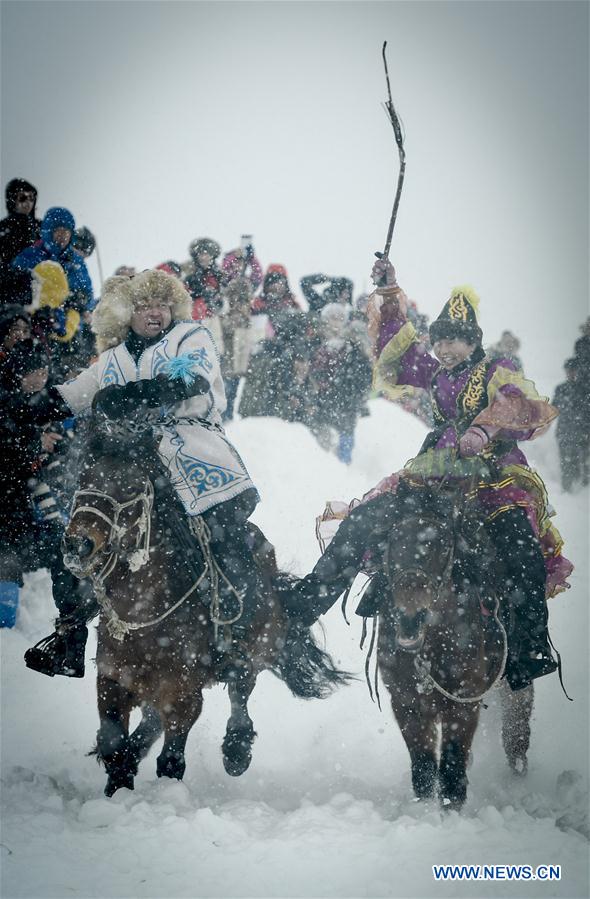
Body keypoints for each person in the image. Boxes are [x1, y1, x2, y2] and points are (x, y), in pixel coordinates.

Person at [286, 258, 572, 692]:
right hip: (438, 473)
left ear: (473, 342)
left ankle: (527, 648)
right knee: (366, 520)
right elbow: (395, 347)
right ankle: (306, 604)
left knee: (521, 555)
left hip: (495, 478)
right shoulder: (434, 371)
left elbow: (518, 402)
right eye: (441, 340)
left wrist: (483, 428)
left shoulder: (495, 371)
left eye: (455, 340)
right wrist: (388, 290)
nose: (446, 348)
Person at [24, 269, 261, 677]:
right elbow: (69, 397)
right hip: (124, 462)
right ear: (127, 312)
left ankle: (233, 629)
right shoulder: (112, 358)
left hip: (191, 451)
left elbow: (189, 378)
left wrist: (126, 395)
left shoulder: (191, 336)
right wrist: (21, 409)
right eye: (145, 305)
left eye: (163, 304)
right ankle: (70, 634)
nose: (155, 312)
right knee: (83, 533)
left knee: (223, 533)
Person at [0, 339, 92, 642]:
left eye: (44, 371)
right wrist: (33, 445)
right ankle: (5, 632)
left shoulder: (41, 401)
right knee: (8, 562)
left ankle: (70, 622)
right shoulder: (9, 402)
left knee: (60, 548)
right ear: (18, 373)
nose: (40, 378)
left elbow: (56, 454)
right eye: (34, 372)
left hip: (29, 504)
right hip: (10, 506)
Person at [11, 206, 94, 313]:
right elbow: (14, 286)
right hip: (33, 314)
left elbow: (87, 293)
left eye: (67, 231)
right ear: (49, 231)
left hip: (67, 318)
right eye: (59, 231)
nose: (63, 236)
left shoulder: (76, 261)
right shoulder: (30, 255)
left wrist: (78, 299)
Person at [0, 178, 41, 304]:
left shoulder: (41, 228)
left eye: (32, 198)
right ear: (12, 200)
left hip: (41, 291)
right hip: (10, 294)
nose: (28, 202)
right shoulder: (3, 229)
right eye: (22, 198)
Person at [553, 358, 588, 491]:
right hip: (564, 431)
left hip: (581, 431)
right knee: (566, 461)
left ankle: (582, 489)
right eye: (569, 370)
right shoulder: (560, 388)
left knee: (581, 461)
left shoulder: (584, 389)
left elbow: (586, 411)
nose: (571, 373)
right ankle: (567, 488)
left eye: (573, 370)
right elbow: (554, 409)